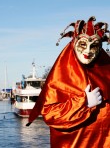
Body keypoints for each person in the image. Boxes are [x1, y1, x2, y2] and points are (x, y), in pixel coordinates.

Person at [26, 16, 110, 148]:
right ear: (74, 43)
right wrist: (83, 103)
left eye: (93, 46)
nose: (88, 51)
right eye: (83, 44)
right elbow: (50, 114)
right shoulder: (61, 75)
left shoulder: (107, 71)